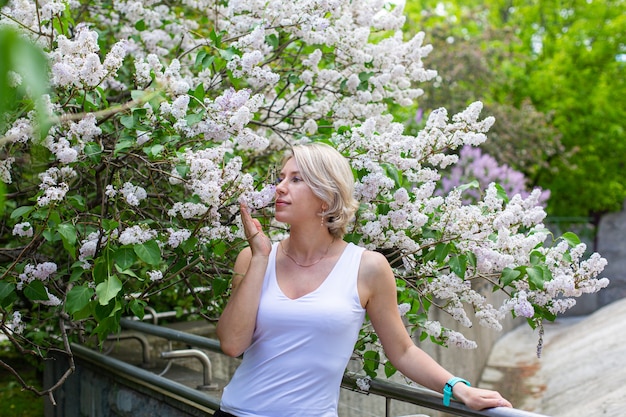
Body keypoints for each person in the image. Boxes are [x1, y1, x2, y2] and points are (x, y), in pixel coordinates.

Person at [215, 142, 512, 417]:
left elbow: (403, 351)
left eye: (295, 179)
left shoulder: (367, 267)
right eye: (281, 178)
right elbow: (232, 344)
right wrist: (261, 257)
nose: (279, 188)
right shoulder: (254, 258)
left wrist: (458, 388)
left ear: (325, 197)